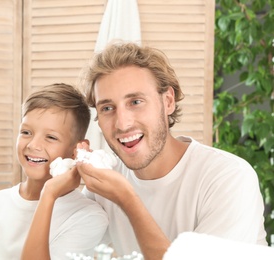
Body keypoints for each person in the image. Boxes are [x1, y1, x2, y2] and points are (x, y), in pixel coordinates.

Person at [76, 42, 267, 260]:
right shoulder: (106, 181)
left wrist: (127, 199)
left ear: (167, 102)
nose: (122, 123)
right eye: (107, 108)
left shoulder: (228, 177)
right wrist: (59, 185)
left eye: (136, 101)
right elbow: (57, 247)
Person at [0, 83, 108, 259]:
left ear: (77, 150)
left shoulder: (88, 217)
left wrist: (48, 195)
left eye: (51, 137)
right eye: (26, 132)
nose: (33, 145)